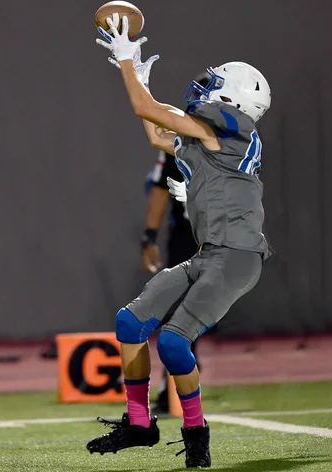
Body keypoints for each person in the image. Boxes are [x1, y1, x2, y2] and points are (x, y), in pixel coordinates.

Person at [86, 14, 272, 469]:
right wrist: (141, 82)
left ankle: (196, 435)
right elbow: (156, 130)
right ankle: (139, 423)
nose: (203, 90)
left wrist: (129, 63)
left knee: (172, 343)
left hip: (237, 259)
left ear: (232, 98)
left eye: (214, 84)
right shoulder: (210, 137)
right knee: (130, 323)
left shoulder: (231, 127)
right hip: (209, 255)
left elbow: (147, 111)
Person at [141, 74, 210, 414]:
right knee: (178, 315)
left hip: (222, 238)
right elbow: (156, 132)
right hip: (190, 236)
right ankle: (179, 381)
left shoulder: (233, 138)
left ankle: (181, 379)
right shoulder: (187, 136)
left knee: (188, 315)